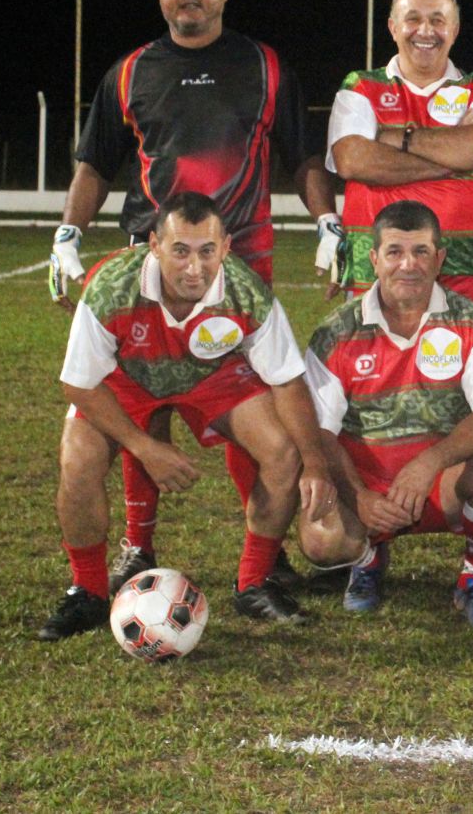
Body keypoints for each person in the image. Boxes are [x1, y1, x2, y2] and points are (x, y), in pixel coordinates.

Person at [46, 0, 339, 596]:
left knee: (246, 398)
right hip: (151, 263)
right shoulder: (130, 72)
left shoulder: (264, 66)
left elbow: (303, 157)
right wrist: (70, 231)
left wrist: (327, 219)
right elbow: (95, 161)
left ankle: (262, 558)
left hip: (242, 259)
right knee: (143, 402)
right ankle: (137, 548)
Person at [37, 192, 337, 640]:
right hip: (126, 376)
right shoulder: (111, 286)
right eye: (180, 250)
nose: (194, 267)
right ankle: (88, 592)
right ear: (154, 244)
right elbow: (79, 383)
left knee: (282, 449)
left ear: (226, 247)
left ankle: (255, 583)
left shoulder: (246, 291)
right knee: (77, 461)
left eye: (206, 251)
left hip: (209, 375)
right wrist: (144, 446)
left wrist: (315, 462)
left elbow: (287, 381)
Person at [296, 200, 473, 634]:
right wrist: (359, 496)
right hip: (369, 484)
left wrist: (431, 462)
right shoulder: (336, 332)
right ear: (374, 259)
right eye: (395, 252)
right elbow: (319, 433)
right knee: (319, 539)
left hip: (441, 484)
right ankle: (367, 558)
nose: (408, 264)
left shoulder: (471, 322)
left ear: (440, 259)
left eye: (421, 252)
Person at [327, 0, 473, 318]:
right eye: (413, 19)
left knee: (467, 368)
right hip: (375, 269)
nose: (425, 30)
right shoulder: (361, 86)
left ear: (454, 29)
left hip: (463, 265)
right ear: (393, 27)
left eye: (438, 20)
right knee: (375, 368)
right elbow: (353, 160)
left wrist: (399, 139)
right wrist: (455, 158)